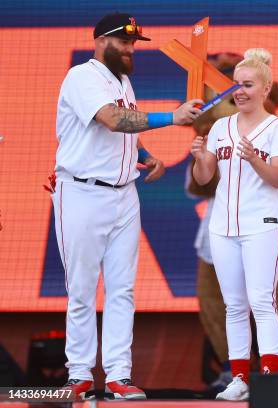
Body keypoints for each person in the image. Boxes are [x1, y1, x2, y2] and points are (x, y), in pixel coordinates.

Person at [52, 12, 203, 401]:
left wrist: (146, 153)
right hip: (82, 192)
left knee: (122, 289)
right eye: (123, 41)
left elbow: (124, 131)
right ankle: (80, 373)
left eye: (134, 42)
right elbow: (111, 119)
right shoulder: (81, 76)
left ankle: (119, 374)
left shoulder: (123, 80)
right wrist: (172, 117)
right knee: (82, 289)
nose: (130, 48)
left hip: (123, 193)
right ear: (101, 40)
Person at [185, 53, 278, 396]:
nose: (241, 91)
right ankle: (239, 378)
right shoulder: (220, 127)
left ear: (265, 89)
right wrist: (201, 159)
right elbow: (204, 178)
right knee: (234, 305)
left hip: (262, 224)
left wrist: (254, 159)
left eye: (248, 85)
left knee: (262, 301)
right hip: (222, 226)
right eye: (237, 85)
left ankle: (270, 374)